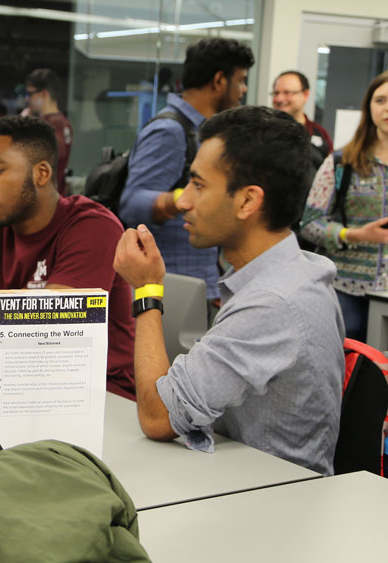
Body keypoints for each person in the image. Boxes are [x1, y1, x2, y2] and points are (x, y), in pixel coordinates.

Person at [114, 106, 344, 475]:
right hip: (239, 480)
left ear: (248, 201)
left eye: (198, 185)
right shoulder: (295, 271)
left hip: (269, 501)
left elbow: (157, 416)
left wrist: (146, 289)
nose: (184, 201)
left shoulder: (272, 303)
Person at [0, 116, 136, 399]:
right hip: (17, 379)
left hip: (99, 393)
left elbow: (51, 328)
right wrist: (9, 312)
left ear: (41, 174)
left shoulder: (94, 227)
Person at [119, 38, 254, 312]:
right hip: (171, 287)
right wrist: (190, 196)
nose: (243, 89)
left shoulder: (203, 130)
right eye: (240, 80)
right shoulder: (170, 131)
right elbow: (132, 203)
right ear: (218, 80)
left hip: (199, 279)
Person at [300, 70, 388, 342]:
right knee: (345, 374)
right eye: (381, 100)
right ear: (369, 107)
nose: (387, 108)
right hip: (346, 291)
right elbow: (310, 224)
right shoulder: (341, 163)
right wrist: (355, 235)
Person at [25, 68, 73, 196]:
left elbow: (53, 157)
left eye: (30, 94)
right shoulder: (63, 123)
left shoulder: (52, 125)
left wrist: (24, 128)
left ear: (43, 94)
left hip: (45, 200)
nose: (28, 99)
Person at [271, 70, 333, 166]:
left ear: (305, 94)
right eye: (276, 93)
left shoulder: (320, 134)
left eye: (287, 93)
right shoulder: (264, 132)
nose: (279, 99)